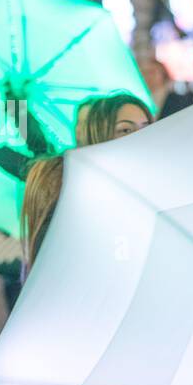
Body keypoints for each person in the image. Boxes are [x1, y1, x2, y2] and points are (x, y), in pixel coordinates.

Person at [20, 92, 153, 276]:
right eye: (125, 130)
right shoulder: (63, 181)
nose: (139, 136)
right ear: (97, 130)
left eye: (146, 128)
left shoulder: (151, 186)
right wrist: (15, 103)